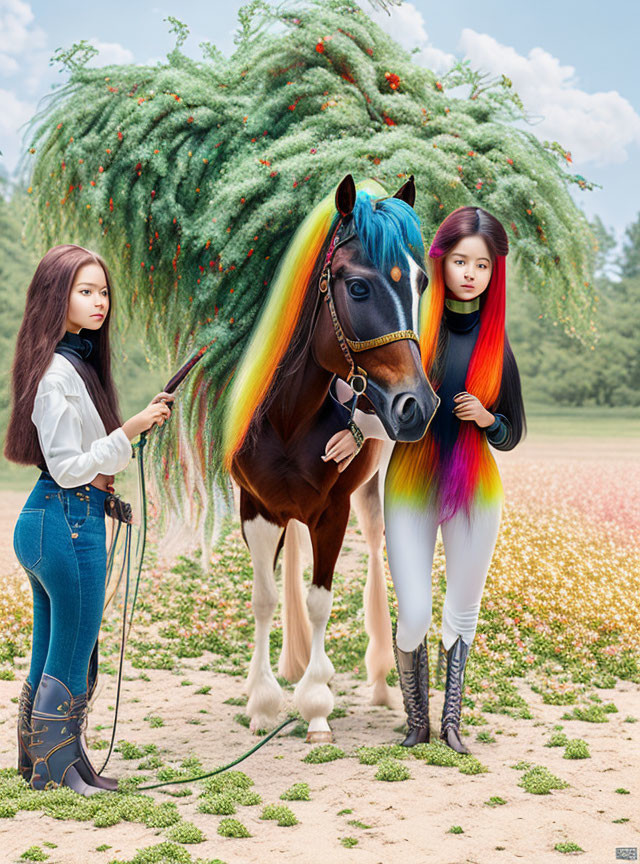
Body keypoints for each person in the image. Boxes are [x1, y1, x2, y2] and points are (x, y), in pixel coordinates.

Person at [323, 207, 525, 752]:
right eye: (460, 261)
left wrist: (489, 420)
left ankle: (449, 722)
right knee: (412, 613)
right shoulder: (412, 336)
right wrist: (358, 430)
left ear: (493, 273)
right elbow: (375, 401)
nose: (469, 274)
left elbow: (512, 433)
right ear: (439, 262)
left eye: (481, 266)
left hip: (475, 487)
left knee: (462, 611)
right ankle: (417, 720)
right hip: (411, 481)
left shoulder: (496, 347)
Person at [4, 244, 173, 795]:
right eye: (85, 291)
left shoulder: (68, 365)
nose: (99, 301)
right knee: (74, 653)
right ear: (59, 297)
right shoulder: (57, 375)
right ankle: (58, 771)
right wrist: (130, 430)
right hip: (66, 523)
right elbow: (69, 466)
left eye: (102, 291)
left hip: (53, 520)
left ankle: (48, 763)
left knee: (53, 649)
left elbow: (79, 458)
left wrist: (128, 431)